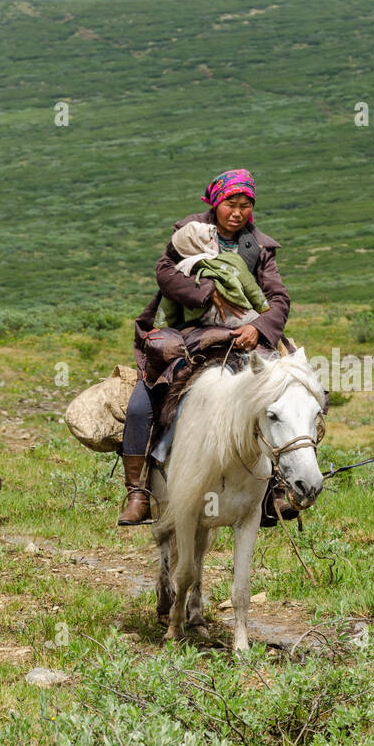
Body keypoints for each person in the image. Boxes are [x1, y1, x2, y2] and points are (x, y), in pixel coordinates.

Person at [119, 168, 292, 526]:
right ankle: (139, 492)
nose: (238, 212)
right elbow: (165, 274)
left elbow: (277, 298)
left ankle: (277, 485)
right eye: (231, 203)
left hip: (245, 332)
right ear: (216, 202)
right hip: (188, 331)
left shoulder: (259, 247)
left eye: (246, 205)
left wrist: (258, 329)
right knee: (143, 401)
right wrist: (207, 290)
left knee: (289, 393)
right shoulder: (189, 233)